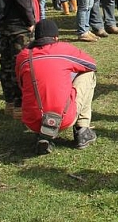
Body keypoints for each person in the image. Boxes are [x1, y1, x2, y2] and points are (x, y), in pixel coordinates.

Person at [16, 19, 98, 155]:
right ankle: (82, 130)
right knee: (88, 74)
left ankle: (43, 135)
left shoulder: (23, 55)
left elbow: (21, 84)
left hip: (33, 120)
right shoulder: (64, 49)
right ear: (56, 37)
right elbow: (91, 65)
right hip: (65, 117)